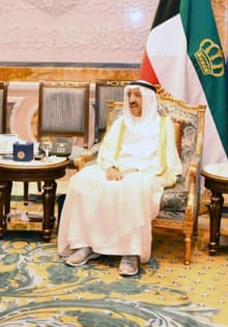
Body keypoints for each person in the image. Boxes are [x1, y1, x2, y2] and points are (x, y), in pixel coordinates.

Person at [57, 80, 181, 276]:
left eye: (137, 95)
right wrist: (110, 167)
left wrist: (136, 170)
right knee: (82, 181)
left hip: (145, 173)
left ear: (148, 99)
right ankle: (86, 244)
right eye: (129, 95)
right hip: (117, 169)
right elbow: (106, 152)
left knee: (134, 187)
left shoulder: (163, 125)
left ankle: (131, 253)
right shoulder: (121, 123)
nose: (132, 100)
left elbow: (165, 161)